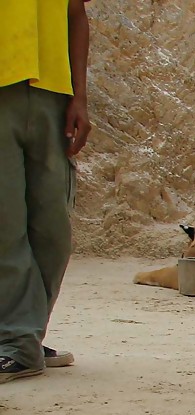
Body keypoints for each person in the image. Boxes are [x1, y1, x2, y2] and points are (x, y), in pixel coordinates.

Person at [0, 0, 91, 384]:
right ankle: (17, 339)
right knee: (5, 224)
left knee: (53, 229)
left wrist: (80, 96)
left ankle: (26, 332)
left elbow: (75, 15)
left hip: (53, 92)